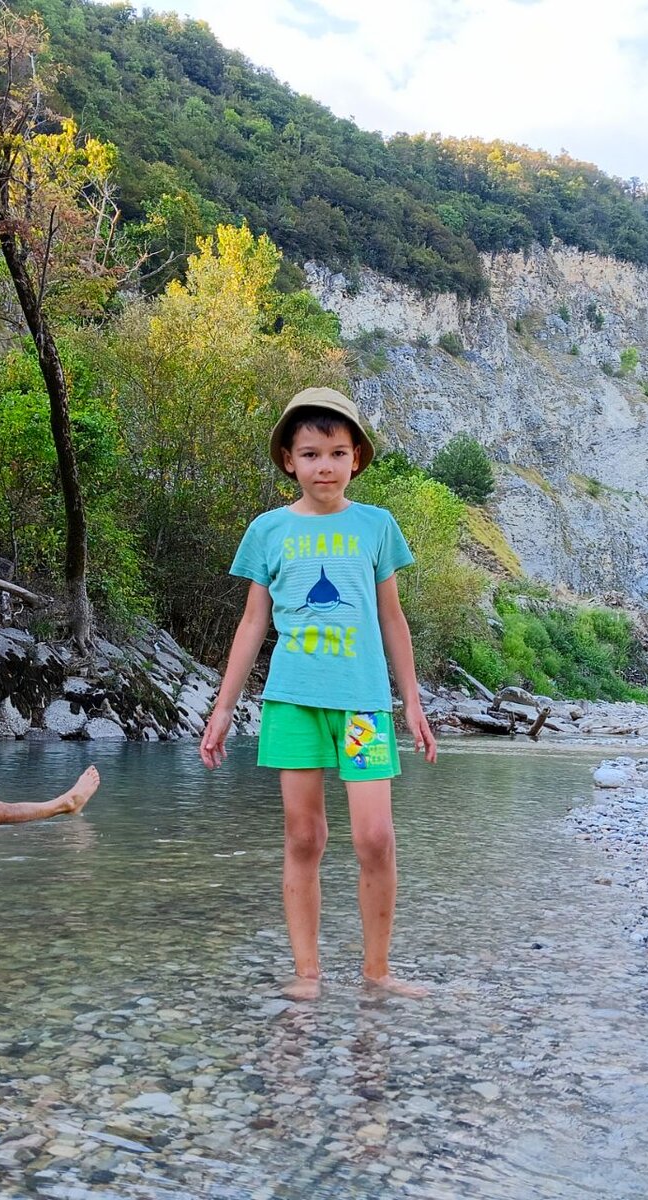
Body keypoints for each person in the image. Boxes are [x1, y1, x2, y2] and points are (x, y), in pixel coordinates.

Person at [199, 386, 437, 1000]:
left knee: (374, 837)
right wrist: (222, 709)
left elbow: (392, 618)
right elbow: (252, 622)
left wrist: (412, 700)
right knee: (304, 836)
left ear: (356, 458)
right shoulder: (268, 530)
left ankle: (377, 972)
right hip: (293, 704)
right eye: (309, 454)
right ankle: (307, 974)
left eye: (336, 453)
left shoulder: (376, 526)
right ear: (289, 460)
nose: (323, 467)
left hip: (362, 706)